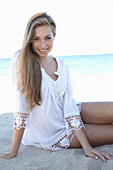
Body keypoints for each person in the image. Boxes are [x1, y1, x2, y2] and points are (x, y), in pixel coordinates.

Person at [0, 12, 113, 163]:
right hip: (53, 133)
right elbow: (22, 110)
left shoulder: (62, 64)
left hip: (69, 113)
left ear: (54, 36)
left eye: (48, 38)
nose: (43, 45)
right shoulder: (21, 61)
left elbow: (69, 108)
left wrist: (86, 146)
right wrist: (13, 152)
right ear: (29, 40)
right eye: (36, 39)